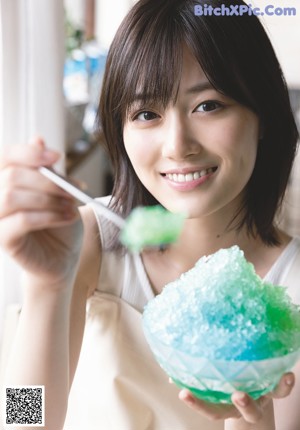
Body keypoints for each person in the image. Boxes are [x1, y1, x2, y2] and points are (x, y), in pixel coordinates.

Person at [0, 0, 299, 429]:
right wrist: (47, 287)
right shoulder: (88, 240)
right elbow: (19, 419)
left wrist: (252, 417)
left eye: (209, 105)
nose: (178, 145)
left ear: (263, 115)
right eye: (146, 114)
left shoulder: (291, 294)